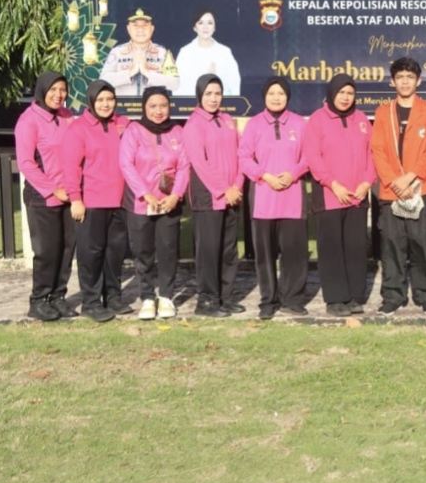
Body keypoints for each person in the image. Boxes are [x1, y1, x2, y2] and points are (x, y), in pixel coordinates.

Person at [371, 57, 426, 316]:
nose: (404, 82)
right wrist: (394, 181)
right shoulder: (383, 112)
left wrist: (410, 178)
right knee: (392, 244)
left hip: (421, 187)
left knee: (421, 243)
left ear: (418, 81)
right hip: (392, 191)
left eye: (410, 77)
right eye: (400, 77)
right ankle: (393, 295)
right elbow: (378, 150)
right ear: (392, 81)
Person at [238, 76, 310, 319]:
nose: (276, 98)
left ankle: (293, 299)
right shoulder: (254, 125)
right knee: (265, 255)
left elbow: (309, 156)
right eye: (271, 93)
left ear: (288, 96)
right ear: (264, 97)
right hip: (263, 198)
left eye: (281, 93)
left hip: (293, 198)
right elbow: (244, 157)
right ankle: (268, 300)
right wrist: (264, 175)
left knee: (294, 253)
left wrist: (293, 174)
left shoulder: (300, 124)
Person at [305, 74, 376, 317]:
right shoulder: (317, 120)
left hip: (357, 196)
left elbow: (372, 155)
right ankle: (335, 298)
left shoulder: (362, 119)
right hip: (330, 195)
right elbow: (313, 157)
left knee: (356, 247)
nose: (345, 97)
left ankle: (355, 296)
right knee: (331, 248)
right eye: (341, 92)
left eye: (350, 93)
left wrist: (366, 183)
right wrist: (333, 184)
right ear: (331, 93)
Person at [62, 80, 132, 322]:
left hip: (120, 201)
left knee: (115, 252)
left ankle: (113, 297)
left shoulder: (123, 124)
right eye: (100, 100)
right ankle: (91, 302)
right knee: (91, 254)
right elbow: (71, 167)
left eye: (110, 99)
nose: (105, 104)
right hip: (91, 202)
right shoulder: (78, 129)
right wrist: (75, 199)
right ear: (91, 101)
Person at [119, 87, 190, 320]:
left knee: (168, 249)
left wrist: (176, 195)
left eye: (163, 106)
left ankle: (167, 296)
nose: (158, 111)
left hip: (169, 202)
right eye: (153, 106)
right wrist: (145, 193)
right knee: (143, 251)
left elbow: (184, 166)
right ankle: (147, 297)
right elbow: (126, 164)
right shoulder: (134, 131)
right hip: (141, 204)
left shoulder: (177, 131)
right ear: (144, 107)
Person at [16, 71, 76, 321]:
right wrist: (52, 189)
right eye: (53, 90)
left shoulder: (67, 115)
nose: (58, 95)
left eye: (62, 89)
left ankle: (58, 297)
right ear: (42, 90)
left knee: (67, 249)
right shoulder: (29, 121)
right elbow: (26, 163)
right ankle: (39, 300)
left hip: (69, 195)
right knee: (47, 251)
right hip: (43, 198)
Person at [183, 74, 244, 318]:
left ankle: (225, 297)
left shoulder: (227, 120)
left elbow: (240, 154)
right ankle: (207, 300)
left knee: (228, 250)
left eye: (217, 93)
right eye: (208, 94)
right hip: (209, 197)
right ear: (199, 95)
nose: (213, 98)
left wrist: (237, 186)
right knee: (209, 250)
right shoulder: (194, 125)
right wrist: (223, 189)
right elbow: (200, 163)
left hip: (232, 195)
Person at [100, 8, 180, 97]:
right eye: (135, 25)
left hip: (153, 105)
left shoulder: (162, 53)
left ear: (152, 28)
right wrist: (130, 73)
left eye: (145, 25)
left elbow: (175, 83)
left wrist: (147, 72)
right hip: (123, 105)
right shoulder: (117, 52)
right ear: (128, 29)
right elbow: (103, 81)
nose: (140, 29)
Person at [174, 10, 242, 96]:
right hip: (191, 102)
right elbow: (178, 85)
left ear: (214, 27)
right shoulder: (185, 52)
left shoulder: (224, 52)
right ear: (194, 27)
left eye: (210, 23)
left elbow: (234, 83)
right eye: (200, 23)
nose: (205, 27)